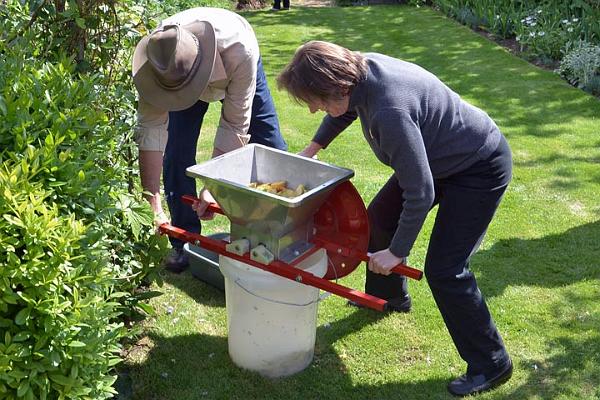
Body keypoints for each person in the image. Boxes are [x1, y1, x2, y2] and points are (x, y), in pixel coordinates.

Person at [277, 41, 513, 397]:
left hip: (478, 167)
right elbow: (345, 108)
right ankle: (391, 298)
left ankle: (492, 362)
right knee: (377, 222)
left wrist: (398, 253)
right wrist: (313, 147)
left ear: (337, 86)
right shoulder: (359, 75)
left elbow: (420, 193)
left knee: (446, 269)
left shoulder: (389, 110)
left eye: (318, 101)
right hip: (439, 158)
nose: (314, 110)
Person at [132, 7, 288, 273]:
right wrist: (152, 201)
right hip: (177, 75)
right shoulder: (157, 64)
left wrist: (212, 187)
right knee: (177, 153)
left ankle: (275, 241)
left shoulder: (240, 51)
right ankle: (181, 239)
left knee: (271, 147)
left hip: (235, 62)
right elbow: (151, 134)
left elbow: (234, 125)